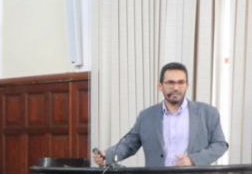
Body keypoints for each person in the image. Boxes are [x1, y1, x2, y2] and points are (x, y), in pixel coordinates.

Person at [94, 62, 228, 167]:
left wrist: (192, 160)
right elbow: (129, 144)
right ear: (160, 86)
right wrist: (107, 156)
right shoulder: (146, 116)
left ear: (187, 85)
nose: (176, 88)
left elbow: (220, 144)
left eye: (181, 82)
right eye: (170, 82)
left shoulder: (208, 113)